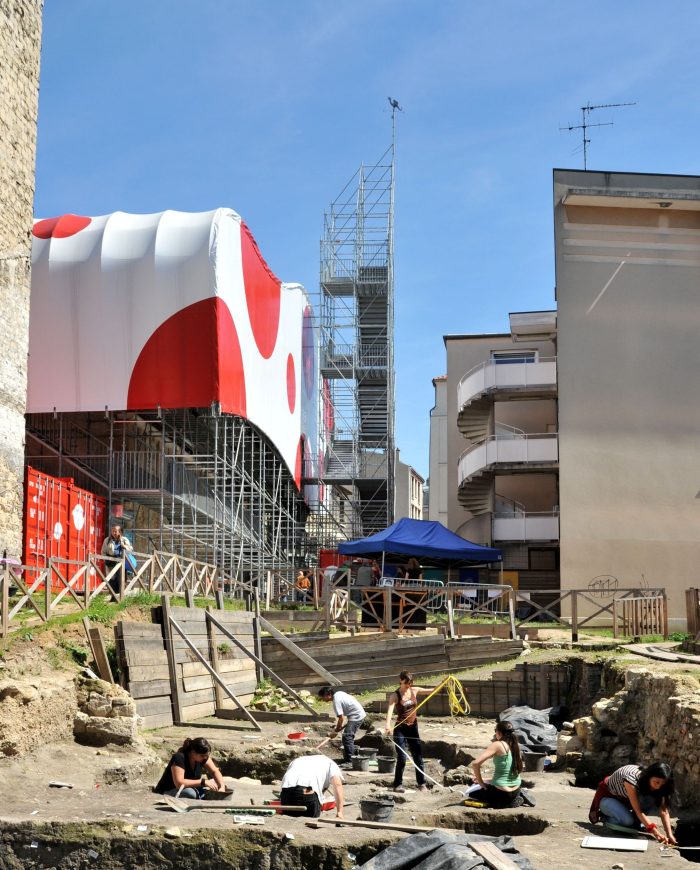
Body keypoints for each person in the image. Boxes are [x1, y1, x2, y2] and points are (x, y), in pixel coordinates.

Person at [588, 761, 677, 845]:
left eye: (662, 784)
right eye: (656, 782)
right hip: (608, 799)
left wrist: (669, 834)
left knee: (650, 799)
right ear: (649, 776)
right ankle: (605, 817)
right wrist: (656, 833)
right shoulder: (632, 779)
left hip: (626, 800)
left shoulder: (659, 786)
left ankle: (632, 820)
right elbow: (638, 810)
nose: (658, 787)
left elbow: (664, 811)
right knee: (628, 821)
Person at [384, 670, 432, 792]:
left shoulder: (413, 690)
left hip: (413, 728)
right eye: (406, 684)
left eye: (410, 684)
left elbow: (432, 691)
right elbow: (390, 710)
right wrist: (388, 725)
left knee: (418, 756)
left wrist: (444, 684)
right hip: (400, 729)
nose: (408, 686)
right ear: (401, 681)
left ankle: (421, 784)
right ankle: (397, 785)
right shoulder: (395, 696)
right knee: (402, 757)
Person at [469, 720, 534, 808]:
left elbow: (475, 764)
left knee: (472, 793)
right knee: (492, 787)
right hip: (516, 790)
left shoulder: (498, 744)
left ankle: (506, 803)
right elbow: (506, 774)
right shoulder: (516, 746)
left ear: (498, 732)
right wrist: (485, 779)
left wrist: (481, 783)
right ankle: (518, 796)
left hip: (501, 793)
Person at [154, 736, 226, 798]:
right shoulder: (179, 757)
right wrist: (203, 782)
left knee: (217, 782)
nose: (205, 758)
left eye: (206, 755)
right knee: (190, 793)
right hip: (170, 790)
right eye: (202, 755)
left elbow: (214, 771)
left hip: (190, 787)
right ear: (193, 752)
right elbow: (179, 783)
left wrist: (221, 786)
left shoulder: (202, 758)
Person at [280, 754, 344, 818]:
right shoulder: (331, 763)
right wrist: (340, 812)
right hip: (306, 792)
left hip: (285, 794)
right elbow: (337, 784)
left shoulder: (297, 760)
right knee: (312, 810)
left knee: (292, 813)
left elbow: (288, 782)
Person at [318, 686, 367, 763]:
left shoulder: (336, 702)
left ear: (328, 695)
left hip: (356, 716)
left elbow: (341, 718)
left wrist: (336, 731)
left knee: (347, 737)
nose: (322, 700)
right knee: (348, 735)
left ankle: (350, 761)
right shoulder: (339, 693)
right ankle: (351, 758)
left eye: (322, 697)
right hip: (356, 714)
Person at [101, 524, 135, 593]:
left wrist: (124, 546)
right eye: (113, 531)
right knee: (111, 580)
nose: (114, 533)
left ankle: (121, 598)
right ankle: (113, 597)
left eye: (116, 531)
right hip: (110, 563)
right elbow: (103, 552)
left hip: (121, 563)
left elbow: (130, 550)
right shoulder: (107, 540)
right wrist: (106, 559)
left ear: (120, 532)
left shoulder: (124, 539)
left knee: (121, 581)